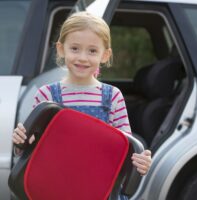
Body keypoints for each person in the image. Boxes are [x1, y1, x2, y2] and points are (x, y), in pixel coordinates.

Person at [12, 11, 151, 199]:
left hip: (97, 187)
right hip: (55, 185)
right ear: (61, 49)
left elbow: (125, 149)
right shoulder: (47, 95)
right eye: (75, 48)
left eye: (92, 51)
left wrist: (140, 163)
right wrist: (20, 141)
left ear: (105, 55)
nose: (82, 58)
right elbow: (29, 151)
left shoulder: (112, 97)